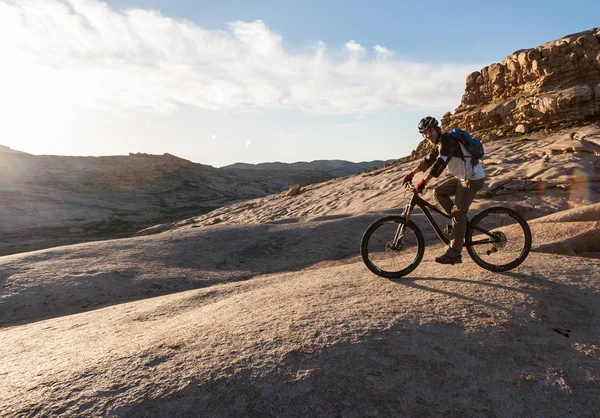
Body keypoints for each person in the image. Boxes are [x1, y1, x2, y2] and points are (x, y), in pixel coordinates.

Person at [402, 116, 486, 265]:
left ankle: (454, 254)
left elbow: (440, 164)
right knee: (439, 192)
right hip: (462, 177)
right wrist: (411, 174)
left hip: (472, 179)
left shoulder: (447, 141)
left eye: (430, 131)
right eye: (425, 133)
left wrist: (422, 182)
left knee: (458, 213)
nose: (428, 135)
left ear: (437, 129)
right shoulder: (440, 143)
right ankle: (459, 225)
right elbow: (428, 161)